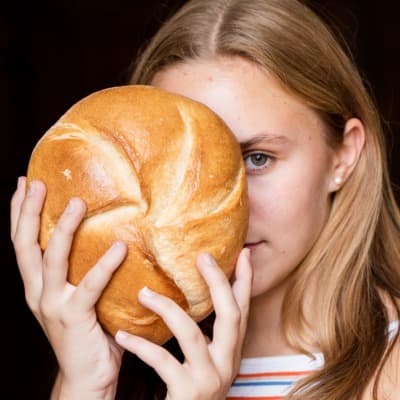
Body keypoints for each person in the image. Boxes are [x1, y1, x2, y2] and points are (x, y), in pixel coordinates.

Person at [10, 0, 400, 399]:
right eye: (181, 166)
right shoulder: (111, 364)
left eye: (257, 158)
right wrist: (85, 386)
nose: (225, 208)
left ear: (344, 155)